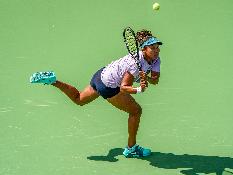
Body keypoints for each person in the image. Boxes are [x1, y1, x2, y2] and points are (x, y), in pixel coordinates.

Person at [30, 29, 162, 158]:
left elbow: (155, 80)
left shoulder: (156, 60)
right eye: (153, 48)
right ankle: (131, 148)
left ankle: (53, 81)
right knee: (136, 111)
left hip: (101, 75)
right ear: (144, 49)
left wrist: (147, 78)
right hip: (108, 85)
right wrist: (139, 89)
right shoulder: (135, 64)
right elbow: (124, 87)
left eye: (157, 47)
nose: (156, 51)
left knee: (79, 99)